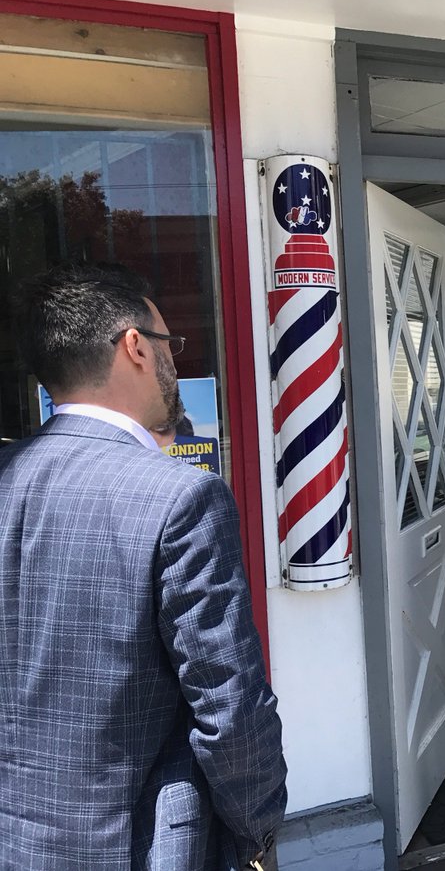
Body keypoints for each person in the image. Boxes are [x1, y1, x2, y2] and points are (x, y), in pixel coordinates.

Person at [0, 262, 287, 870]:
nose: (173, 362)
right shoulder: (182, 497)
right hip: (136, 843)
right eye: (168, 344)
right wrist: (258, 832)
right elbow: (230, 708)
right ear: (134, 346)